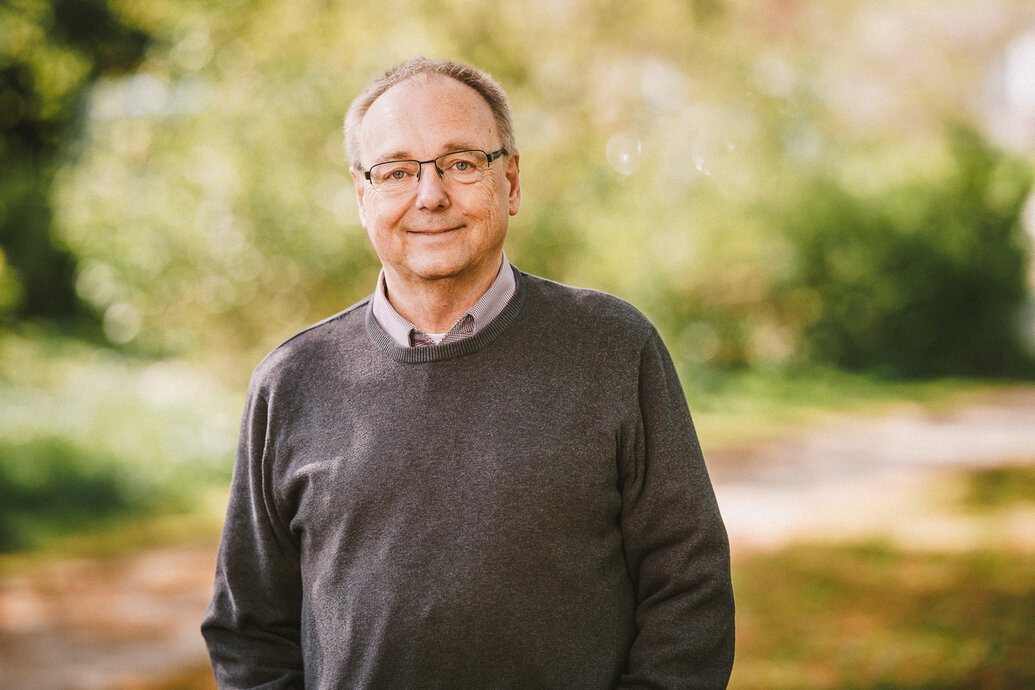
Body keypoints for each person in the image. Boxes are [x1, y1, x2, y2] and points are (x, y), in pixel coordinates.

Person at [202, 56, 735, 689]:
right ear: (362, 194)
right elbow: (249, 631)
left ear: (510, 181)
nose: (430, 196)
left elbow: (689, 588)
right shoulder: (291, 381)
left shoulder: (613, 348)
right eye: (396, 171)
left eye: (461, 164)